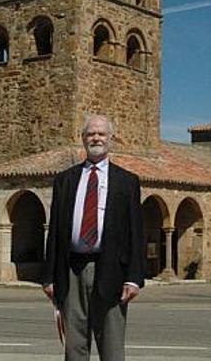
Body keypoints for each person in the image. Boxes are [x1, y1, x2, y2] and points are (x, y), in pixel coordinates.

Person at [43, 114, 145, 361]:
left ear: (111, 139)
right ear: (82, 139)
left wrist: (134, 278)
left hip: (111, 269)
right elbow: (55, 230)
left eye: (101, 134)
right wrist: (49, 277)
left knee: (112, 347)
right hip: (71, 270)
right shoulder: (65, 180)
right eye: (90, 134)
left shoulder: (127, 182)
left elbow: (136, 232)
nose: (96, 138)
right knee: (74, 347)